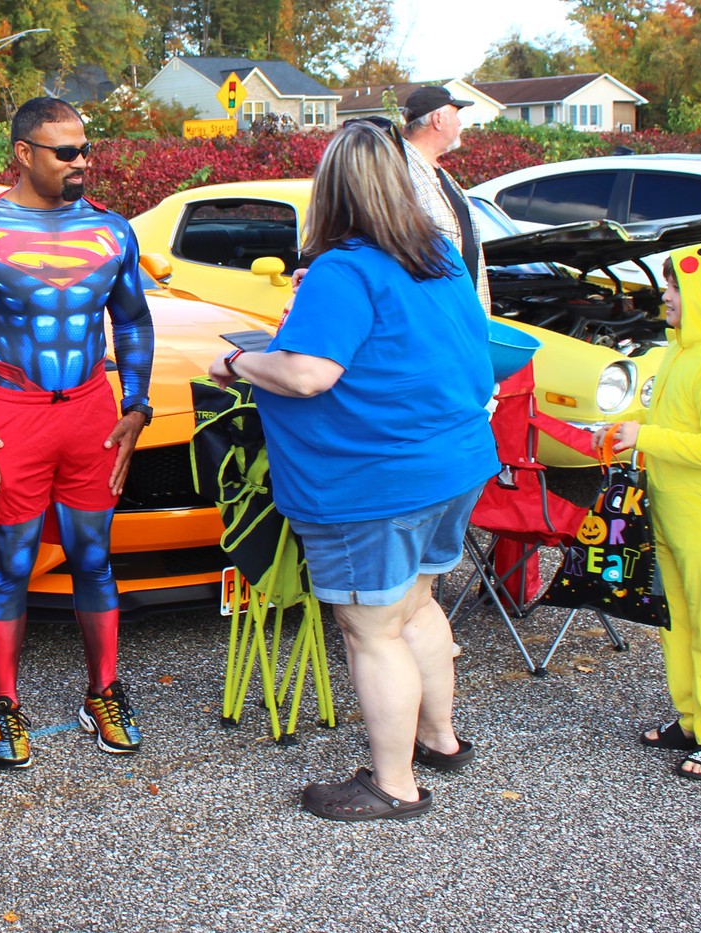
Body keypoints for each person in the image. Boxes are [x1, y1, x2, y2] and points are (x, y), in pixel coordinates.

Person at [206, 121, 496, 821]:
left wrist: (239, 362)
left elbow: (308, 373)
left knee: (373, 630)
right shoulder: (437, 254)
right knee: (417, 604)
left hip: (375, 482)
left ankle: (393, 784)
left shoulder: (346, 269)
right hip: (452, 463)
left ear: (329, 191)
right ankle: (440, 740)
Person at [0, 97, 155, 770]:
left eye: (85, 148)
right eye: (66, 152)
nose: (83, 162)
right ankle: (5, 700)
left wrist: (136, 401)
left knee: (94, 557)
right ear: (23, 153)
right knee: (13, 563)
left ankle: (103, 691)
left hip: (90, 413)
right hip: (11, 414)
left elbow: (133, 319)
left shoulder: (112, 231)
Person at [594, 218, 701, 782]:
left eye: (676, 288)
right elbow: (667, 420)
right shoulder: (680, 354)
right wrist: (621, 427)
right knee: (676, 620)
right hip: (670, 506)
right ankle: (689, 719)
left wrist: (647, 437)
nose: (665, 295)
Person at [400, 86, 492, 315]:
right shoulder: (402, 173)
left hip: (459, 317)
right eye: (456, 115)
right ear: (438, 119)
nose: (461, 123)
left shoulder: (437, 172)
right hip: (435, 317)